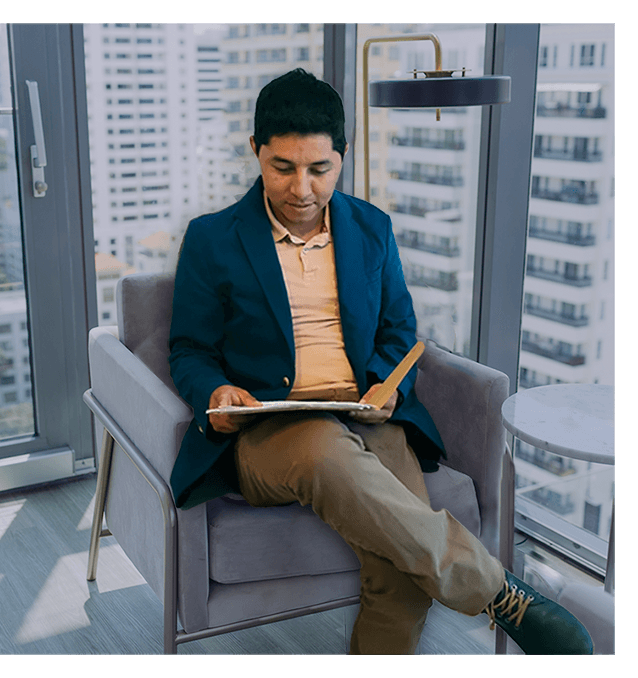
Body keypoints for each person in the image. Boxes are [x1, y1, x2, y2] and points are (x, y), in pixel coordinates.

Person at [168, 68, 593, 655]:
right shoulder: (212, 239)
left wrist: (389, 386)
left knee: (399, 566)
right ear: (255, 153)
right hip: (272, 429)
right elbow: (189, 349)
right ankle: (500, 592)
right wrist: (216, 392)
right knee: (320, 446)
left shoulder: (371, 228)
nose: (302, 189)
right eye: (282, 167)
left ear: (343, 155)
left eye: (321, 169)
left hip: (368, 414)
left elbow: (398, 330)